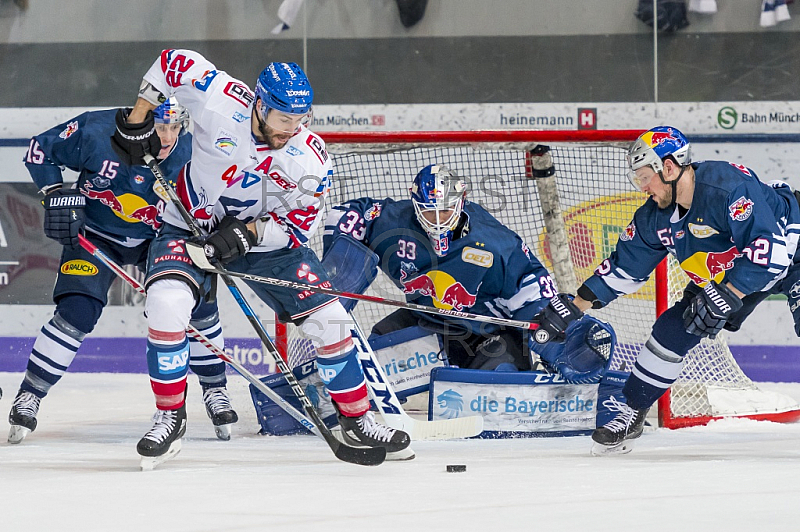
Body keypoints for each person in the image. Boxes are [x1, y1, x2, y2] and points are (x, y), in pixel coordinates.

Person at [110, 49, 410, 466]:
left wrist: (249, 233)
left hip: (262, 241)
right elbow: (171, 62)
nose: (294, 128)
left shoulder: (309, 156)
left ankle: (357, 419)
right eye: (285, 119)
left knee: (333, 320)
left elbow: (299, 228)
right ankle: (170, 416)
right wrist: (141, 115)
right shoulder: (220, 99)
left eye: (301, 119)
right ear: (261, 105)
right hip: (187, 221)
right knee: (166, 305)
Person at [532, 125, 800, 454]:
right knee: (673, 329)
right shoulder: (654, 218)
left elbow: (768, 251)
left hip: (791, 245)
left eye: (646, 177)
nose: (643, 188)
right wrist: (575, 306)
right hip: (734, 270)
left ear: (669, 168)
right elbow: (624, 267)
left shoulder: (726, 186)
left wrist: (727, 294)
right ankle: (632, 410)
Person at [9, 99, 238, 444]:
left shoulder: (196, 152)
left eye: (175, 128)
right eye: (161, 127)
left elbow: (228, 197)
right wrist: (55, 193)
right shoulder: (97, 131)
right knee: (76, 312)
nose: (168, 137)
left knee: (198, 307)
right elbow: (40, 150)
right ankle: (31, 393)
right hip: (97, 236)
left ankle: (215, 389)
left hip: (162, 239)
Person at [323, 163, 607, 379]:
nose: (436, 220)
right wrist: (334, 283)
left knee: (498, 383)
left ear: (461, 202)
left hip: (485, 333)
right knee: (372, 359)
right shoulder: (392, 221)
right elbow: (343, 215)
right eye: (428, 210)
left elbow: (531, 284)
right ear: (414, 204)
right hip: (427, 320)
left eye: (445, 211)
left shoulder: (494, 242)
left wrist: (546, 332)